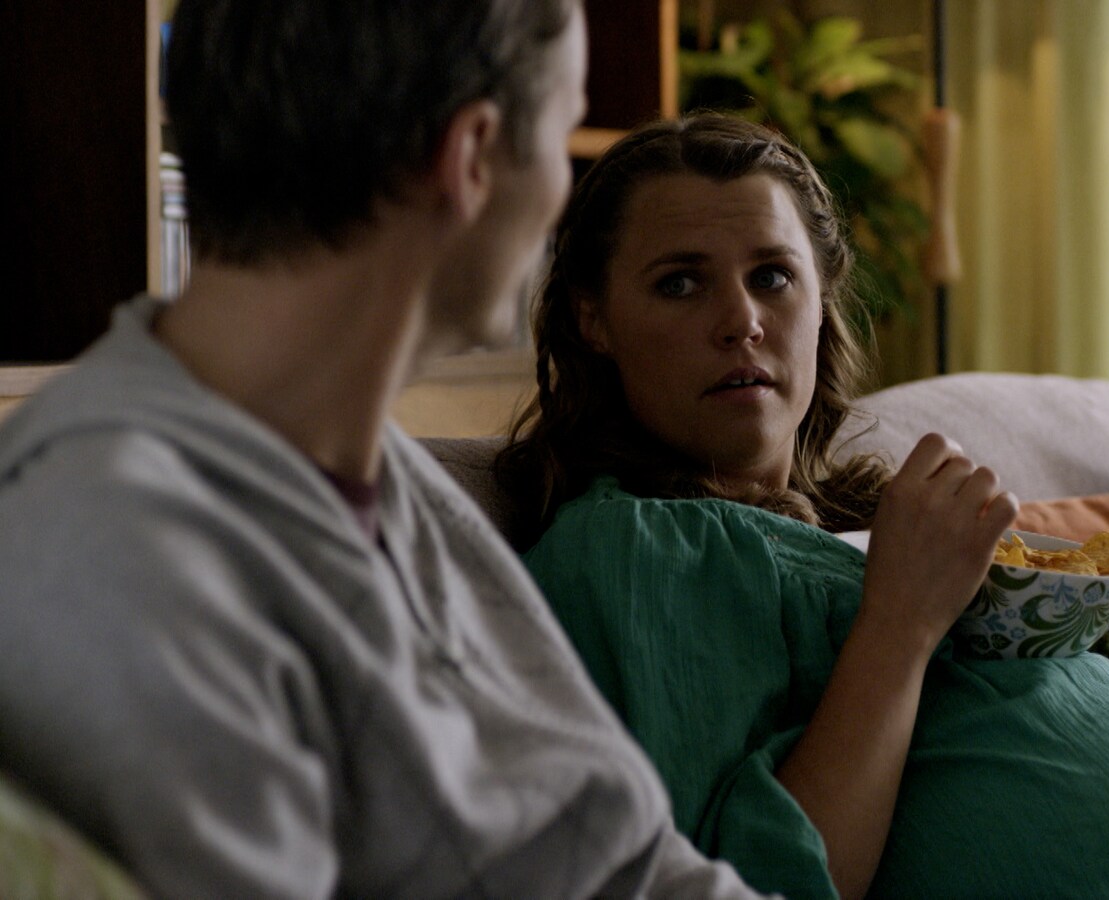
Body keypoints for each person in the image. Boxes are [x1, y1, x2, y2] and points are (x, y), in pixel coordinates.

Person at [0, 3, 765, 898]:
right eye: (562, 137)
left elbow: (629, 862)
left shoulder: (380, 477)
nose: (560, 194)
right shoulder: (112, 552)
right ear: (472, 158)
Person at [498, 112, 1109, 899]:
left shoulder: (873, 516)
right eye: (680, 283)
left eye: (772, 276)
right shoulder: (630, 551)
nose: (741, 321)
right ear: (593, 319)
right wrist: (901, 621)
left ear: (822, 297)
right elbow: (751, 883)